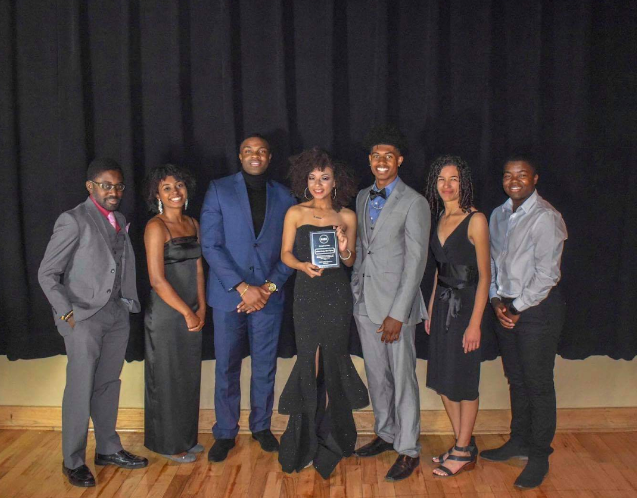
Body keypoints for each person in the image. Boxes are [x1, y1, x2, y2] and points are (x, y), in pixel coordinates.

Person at [38, 158, 148, 488]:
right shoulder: (73, 220)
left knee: (108, 384)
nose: (114, 191)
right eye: (106, 185)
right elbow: (47, 273)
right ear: (91, 186)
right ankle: (73, 460)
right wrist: (66, 311)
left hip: (116, 313)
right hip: (82, 317)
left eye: (118, 186)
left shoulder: (120, 218)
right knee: (81, 387)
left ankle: (108, 449)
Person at [200, 134, 296, 462]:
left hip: (268, 297)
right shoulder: (219, 189)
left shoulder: (285, 196)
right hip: (229, 297)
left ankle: (261, 426)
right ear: (240, 156)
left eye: (261, 151)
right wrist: (243, 288)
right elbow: (210, 245)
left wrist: (267, 288)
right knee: (226, 365)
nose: (255, 156)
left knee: (264, 365)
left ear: (269, 157)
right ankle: (225, 432)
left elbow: (291, 251)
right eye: (248, 151)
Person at [277, 148, 369, 479]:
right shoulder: (295, 213)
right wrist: (302, 264)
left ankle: (332, 439)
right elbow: (285, 254)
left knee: (333, 361)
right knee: (308, 363)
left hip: (336, 295)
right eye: (313, 178)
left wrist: (344, 245)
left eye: (324, 178)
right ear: (306, 180)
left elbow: (349, 260)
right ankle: (302, 441)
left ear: (335, 182)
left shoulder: (347, 216)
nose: (318, 184)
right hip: (306, 294)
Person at [480, 155, 567, 489]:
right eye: (508, 175)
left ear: (535, 178)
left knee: (538, 384)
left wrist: (516, 305)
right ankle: (518, 442)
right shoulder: (499, 214)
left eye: (522, 175)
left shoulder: (546, 217)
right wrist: (497, 301)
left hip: (537, 311)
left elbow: (548, 275)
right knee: (516, 379)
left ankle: (539, 454)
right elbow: (492, 262)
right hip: (506, 307)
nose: (513, 180)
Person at [351, 125, 431, 482]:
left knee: (402, 378)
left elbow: (416, 262)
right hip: (365, 303)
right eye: (376, 156)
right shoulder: (362, 197)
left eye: (388, 156)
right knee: (376, 375)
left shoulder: (415, 202)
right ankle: (385, 433)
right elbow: (362, 250)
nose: (381, 161)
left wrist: (398, 314)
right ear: (370, 161)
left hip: (396, 308)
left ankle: (409, 448)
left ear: (399, 160)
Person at [423, 156, 490, 477]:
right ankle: (461, 442)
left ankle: (463, 450)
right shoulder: (437, 219)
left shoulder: (476, 219)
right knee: (443, 381)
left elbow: (486, 277)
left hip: (466, 308)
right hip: (443, 309)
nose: (447, 185)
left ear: (463, 183)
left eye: (454, 179)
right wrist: (431, 308)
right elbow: (439, 271)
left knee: (464, 381)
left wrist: (476, 322)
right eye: (441, 180)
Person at [143, 164, 206, 463]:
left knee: (187, 376)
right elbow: (157, 280)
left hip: (193, 310)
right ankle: (168, 445)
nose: (175, 192)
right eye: (167, 188)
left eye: (179, 185)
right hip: (167, 315)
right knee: (167, 379)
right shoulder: (156, 227)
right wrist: (186, 312)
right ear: (157, 194)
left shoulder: (193, 223)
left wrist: (202, 307)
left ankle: (187, 438)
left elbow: (197, 268)